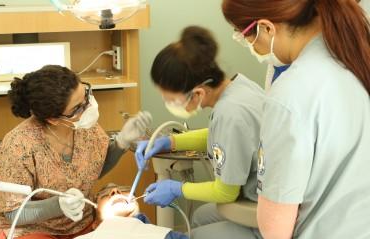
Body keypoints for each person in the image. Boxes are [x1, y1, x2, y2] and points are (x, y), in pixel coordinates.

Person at [222, 0, 370, 238]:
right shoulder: (356, 61)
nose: (251, 47)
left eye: (246, 38)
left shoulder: (290, 95)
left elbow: (275, 229)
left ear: (267, 28)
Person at [0, 65, 152, 239]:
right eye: (78, 108)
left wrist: (121, 143)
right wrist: (57, 205)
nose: (88, 107)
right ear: (53, 119)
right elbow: (13, 212)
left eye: (86, 95)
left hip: (81, 224)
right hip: (31, 230)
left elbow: (94, 169)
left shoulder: (86, 129)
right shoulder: (18, 146)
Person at [135, 26, 265, 239]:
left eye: (172, 99)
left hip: (265, 215)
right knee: (200, 217)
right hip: (255, 200)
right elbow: (225, 137)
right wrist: (169, 142)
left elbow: (226, 192)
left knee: (194, 235)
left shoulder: (230, 113)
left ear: (197, 94)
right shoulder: (239, 87)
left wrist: (178, 189)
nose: (169, 104)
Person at [79, 183, 188, 239]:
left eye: (124, 190)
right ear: (95, 224)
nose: (115, 191)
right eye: (103, 195)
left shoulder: (166, 235)